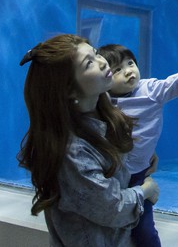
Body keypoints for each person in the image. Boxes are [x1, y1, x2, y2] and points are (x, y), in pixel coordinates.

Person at [18, 34, 160, 247]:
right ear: (69, 89)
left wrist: (142, 156)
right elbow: (112, 208)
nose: (102, 61)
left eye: (94, 53)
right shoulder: (73, 152)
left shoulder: (101, 115)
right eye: (89, 63)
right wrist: (146, 189)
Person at [97, 42, 178, 247]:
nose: (128, 72)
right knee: (110, 224)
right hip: (111, 173)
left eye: (130, 63)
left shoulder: (149, 89)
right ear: (106, 78)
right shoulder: (103, 101)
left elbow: (174, 84)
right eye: (118, 70)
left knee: (145, 231)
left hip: (139, 174)